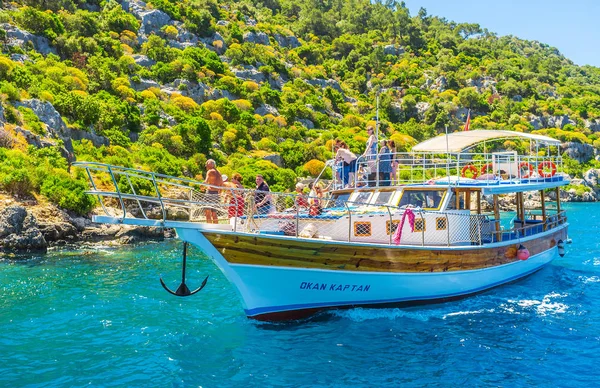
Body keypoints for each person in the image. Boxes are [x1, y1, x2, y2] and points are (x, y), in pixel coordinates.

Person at [204, 159, 223, 224]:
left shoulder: (210, 171)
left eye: (207, 164)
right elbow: (221, 185)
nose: (206, 166)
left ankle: (208, 227)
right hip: (216, 194)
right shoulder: (219, 173)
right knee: (214, 213)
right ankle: (216, 228)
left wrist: (201, 187)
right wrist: (219, 194)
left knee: (207, 212)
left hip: (209, 193)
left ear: (210, 165)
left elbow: (205, 182)